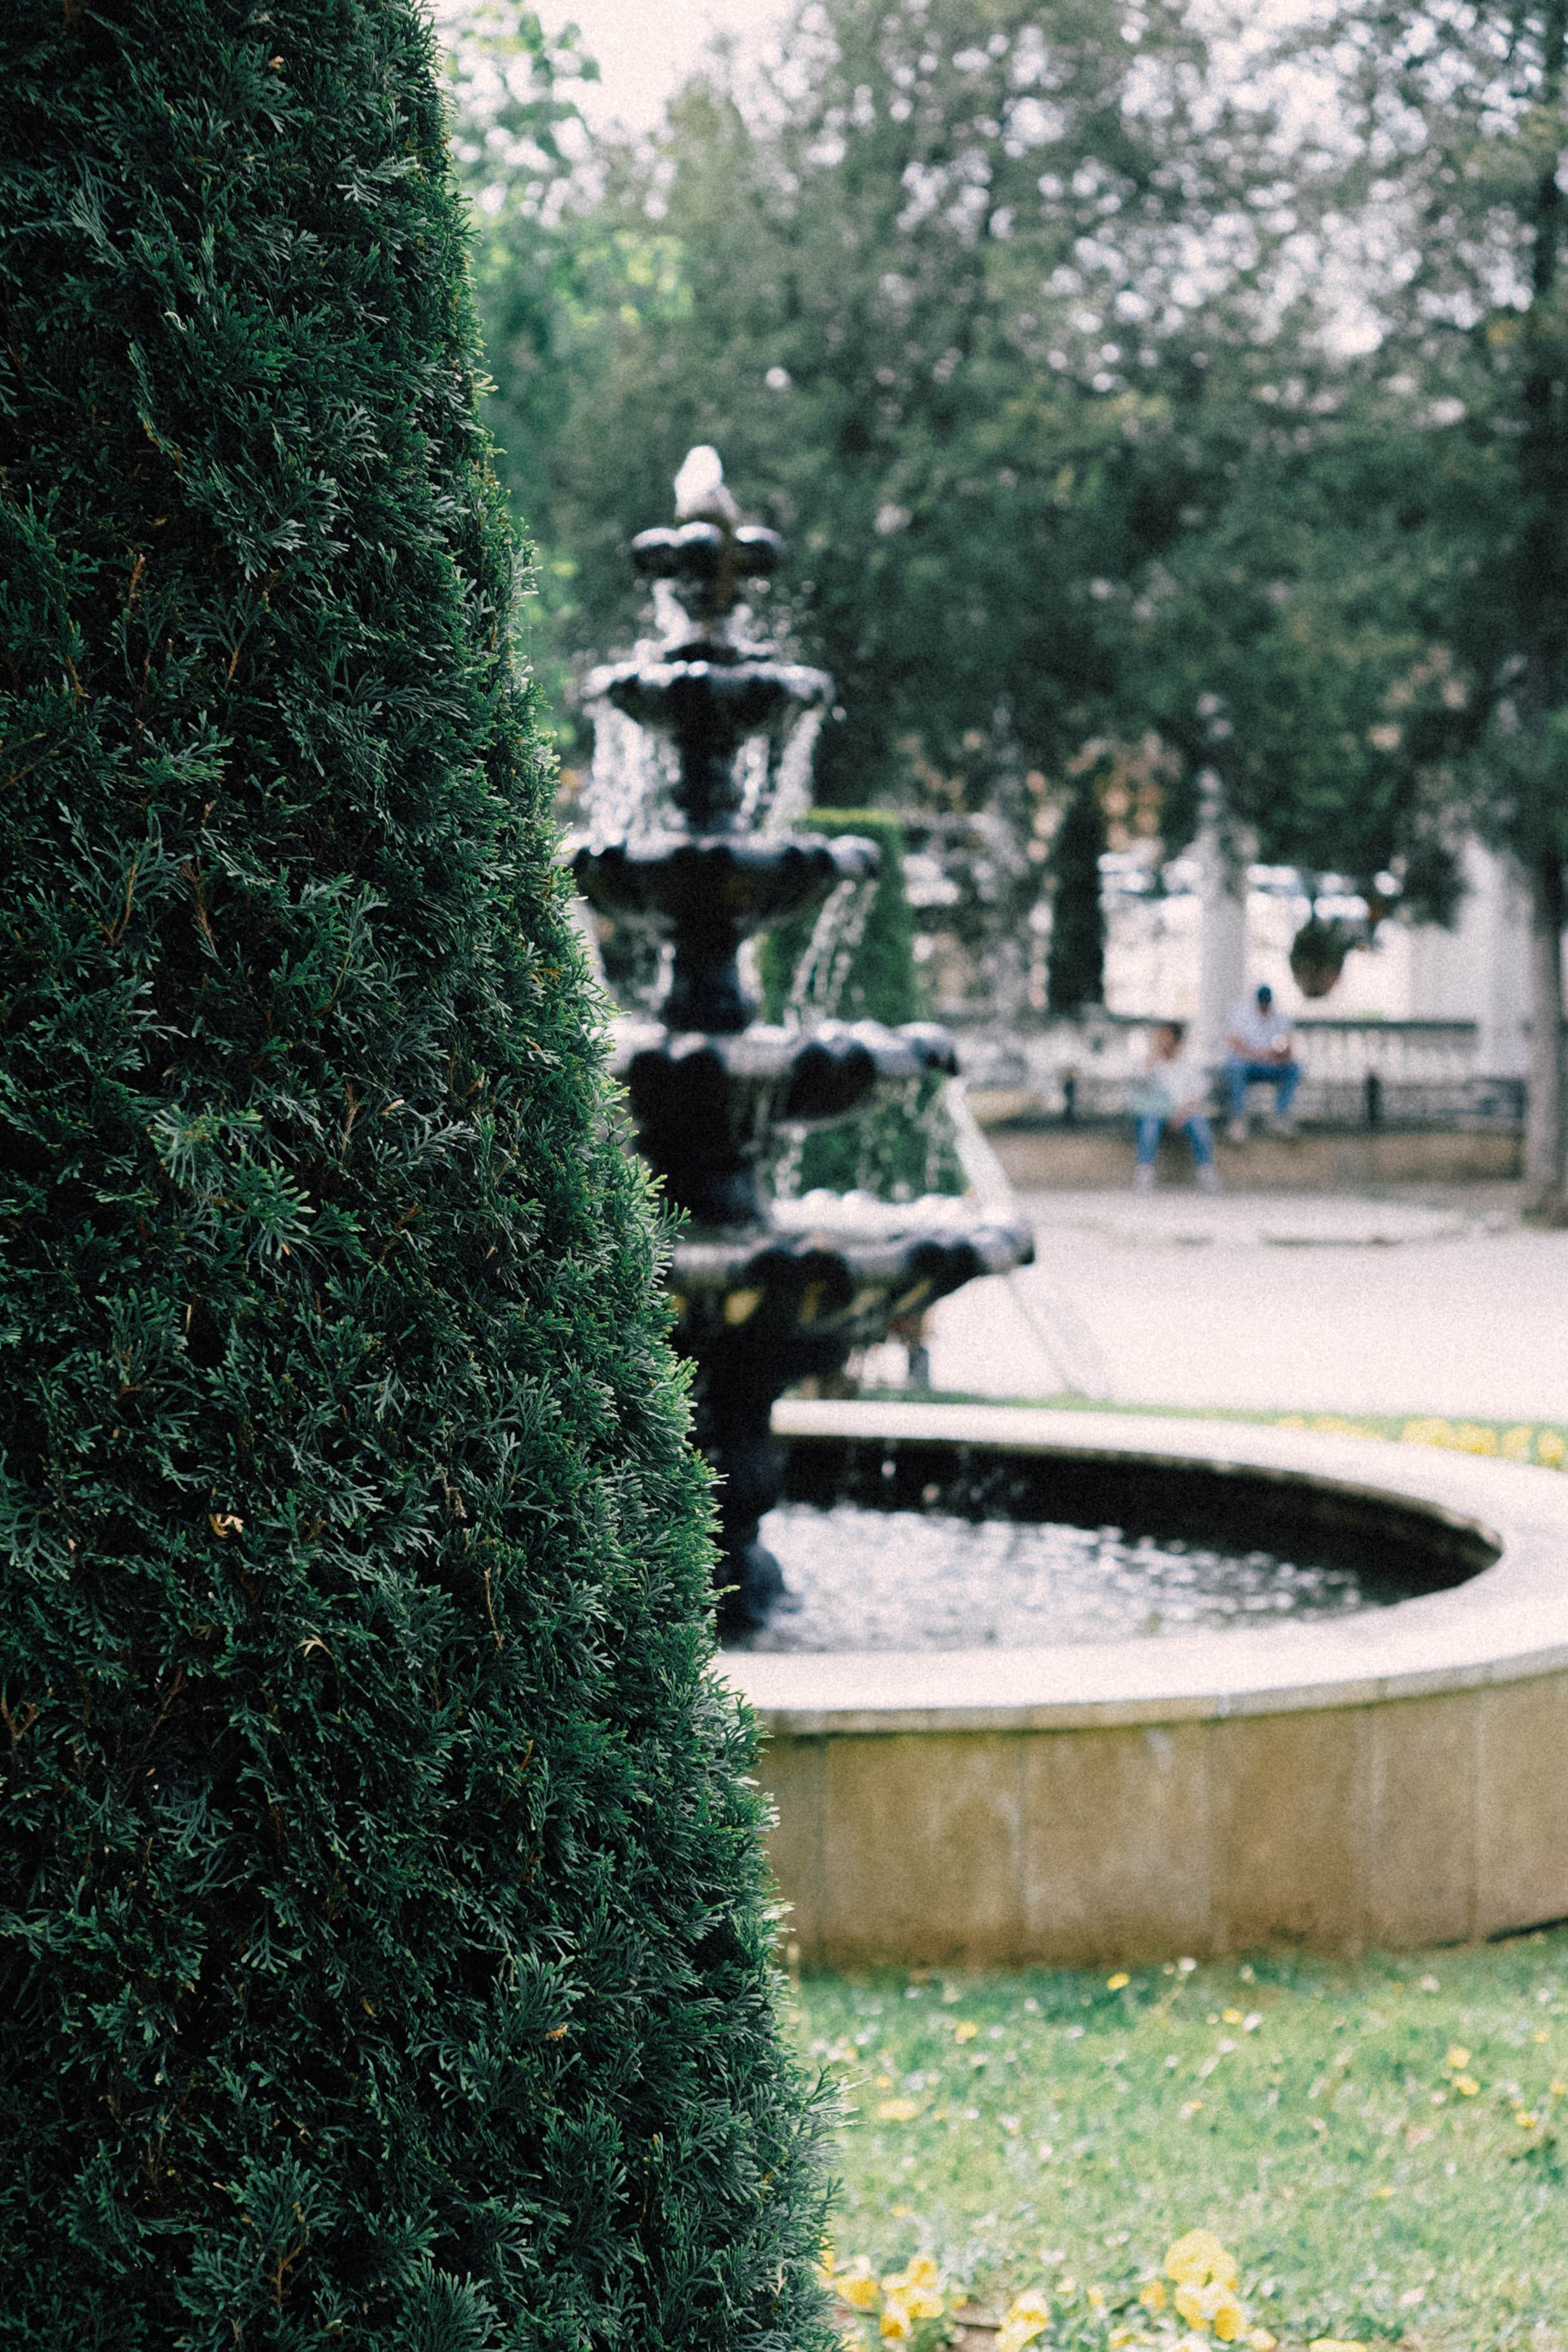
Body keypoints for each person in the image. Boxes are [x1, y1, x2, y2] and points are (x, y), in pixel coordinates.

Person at [1129, 1020, 1219, 1192]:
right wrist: (1154, 1054)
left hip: (1184, 1114)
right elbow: (1141, 1083)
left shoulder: (1190, 1064)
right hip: (1156, 1114)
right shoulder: (1152, 1062)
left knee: (1199, 1124)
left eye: (1167, 1037)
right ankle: (1144, 1172)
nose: (1163, 1041)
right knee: (1149, 1124)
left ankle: (1206, 1171)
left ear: (1177, 1041)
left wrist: (1181, 1114)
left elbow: (1199, 1094)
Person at [1225, 982, 1299, 1140]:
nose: (1264, 1006)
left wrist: (1273, 1055)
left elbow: (1287, 1050)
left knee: (1293, 1068)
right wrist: (1263, 1054)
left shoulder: (1281, 1019)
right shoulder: (1242, 1015)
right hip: (1247, 1065)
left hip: (1271, 1066)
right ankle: (1239, 1120)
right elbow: (1235, 1045)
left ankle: (1280, 1117)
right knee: (1235, 1066)